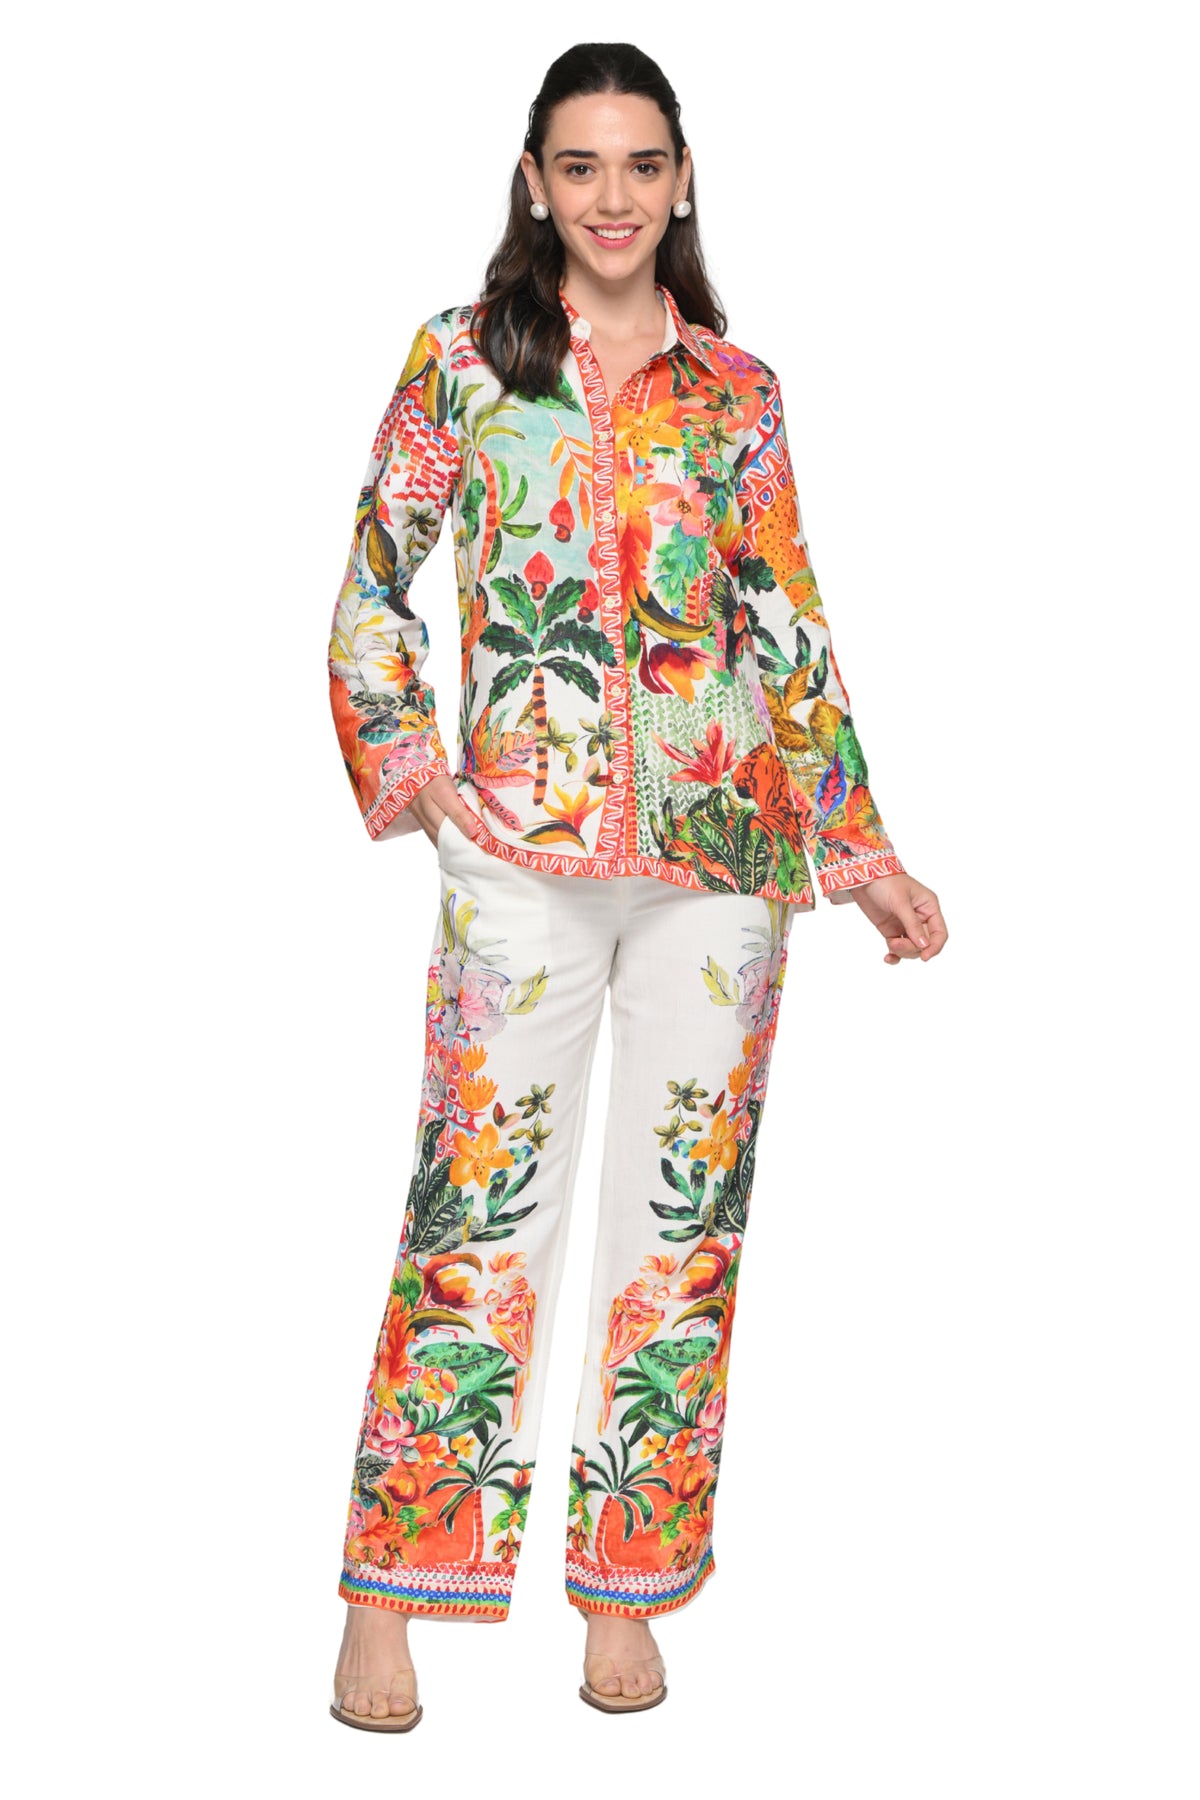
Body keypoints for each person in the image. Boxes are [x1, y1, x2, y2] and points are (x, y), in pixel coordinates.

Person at [325, 41, 948, 1730]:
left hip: (723, 863)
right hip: (518, 856)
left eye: (644, 165)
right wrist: (421, 776)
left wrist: (863, 852)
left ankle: (626, 1587)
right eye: (583, 165)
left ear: (681, 182)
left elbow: (787, 622)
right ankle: (392, 1589)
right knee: (478, 1213)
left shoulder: (738, 391)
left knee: (680, 1234)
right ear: (536, 180)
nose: (614, 197)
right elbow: (375, 587)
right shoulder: (462, 363)